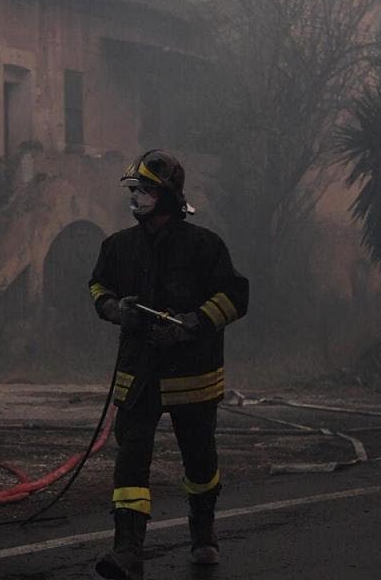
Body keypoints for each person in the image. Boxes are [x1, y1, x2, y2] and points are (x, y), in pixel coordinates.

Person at [89, 150, 249, 580]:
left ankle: (203, 530)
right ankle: (127, 550)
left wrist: (193, 322)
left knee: (199, 459)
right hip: (139, 372)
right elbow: (98, 286)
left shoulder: (204, 246)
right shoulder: (118, 246)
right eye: (134, 189)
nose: (136, 196)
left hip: (192, 375)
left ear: (168, 196)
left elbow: (235, 297)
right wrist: (115, 309)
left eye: (145, 189)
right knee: (131, 459)